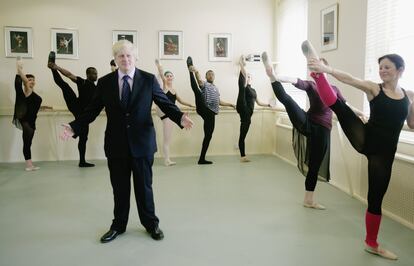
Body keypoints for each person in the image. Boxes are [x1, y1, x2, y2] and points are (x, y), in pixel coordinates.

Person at [60, 40, 193, 243]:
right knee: (120, 188)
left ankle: (151, 224)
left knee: (144, 187)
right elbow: (92, 110)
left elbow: (164, 102)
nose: (125, 59)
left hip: (143, 143)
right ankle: (118, 225)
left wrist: (180, 117)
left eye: (129, 55)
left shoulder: (148, 79)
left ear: (135, 58)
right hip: (116, 145)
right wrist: (74, 126)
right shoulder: (105, 82)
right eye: (121, 56)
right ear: (115, 59)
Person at [305, 40, 414, 260]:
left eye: (387, 67)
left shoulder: (409, 96)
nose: (382, 70)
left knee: (376, 198)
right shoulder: (375, 88)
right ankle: (318, 76)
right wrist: (327, 69)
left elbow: (411, 124)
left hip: (384, 155)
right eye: (381, 67)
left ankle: (371, 243)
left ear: (400, 70)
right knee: (340, 107)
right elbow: (351, 79)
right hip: (365, 137)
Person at [262, 52, 363, 209]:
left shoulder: (335, 89)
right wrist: (276, 75)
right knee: (288, 101)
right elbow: (295, 80)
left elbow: (346, 106)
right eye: (314, 68)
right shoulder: (312, 85)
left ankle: (308, 200)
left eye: (319, 67)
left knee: (314, 166)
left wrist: (361, 113)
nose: (316, 70)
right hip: (308, 122)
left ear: (326, 69)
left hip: (323, 131)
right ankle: (271, 76)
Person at [48, 51, 97, 167]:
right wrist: (56, 67)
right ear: (88, 74)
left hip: (85, 114)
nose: (95, 75)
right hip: (76, 105)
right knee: (64, 86)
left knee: (84, 137)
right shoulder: (83, 82)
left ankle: (82, 161)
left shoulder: (97, 88)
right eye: (93, 73)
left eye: (96, 73)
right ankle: (52, 67)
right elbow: (69, 74)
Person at [186, 56, 235, 164]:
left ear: (214, 76)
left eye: (212, 74)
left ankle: (201, 159)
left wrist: (231, 104)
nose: (211, 75)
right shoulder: (205, 84)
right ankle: (190, 69)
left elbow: (219, 101)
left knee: (208, 135)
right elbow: (199, 80)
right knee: (197, 92)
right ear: (206, 76)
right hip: (204, 107)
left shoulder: (216, 88)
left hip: (211, 113)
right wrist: (196, 71)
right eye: (209, 74)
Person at [155, 59, 195, 166]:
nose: (168, 77)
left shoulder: (174, 90)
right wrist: (159, 65)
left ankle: (168, 159)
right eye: (167, 76)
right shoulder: (165, 87)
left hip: (171, 114)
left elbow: (180, 100)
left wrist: (190, 105)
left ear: (173, 78)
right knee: (167, 139)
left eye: (170, 76)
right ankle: (167, 160)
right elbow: (161, 75)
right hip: (165, 113)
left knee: (168, 138)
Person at [237, 55, 270, 162]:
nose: (248, 77)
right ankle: (241, 64)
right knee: (242, 88)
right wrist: (243, 67)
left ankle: (242, 156)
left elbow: (259, 103)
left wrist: (269, 105)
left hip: (247, 114)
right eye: (247, 76)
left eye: (250, 76)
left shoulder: (254, 91)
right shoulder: (245, 87)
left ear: (252, 79)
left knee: (243, 135)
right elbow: (244, 77)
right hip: (242, 106)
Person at [13, 57, 42, 171]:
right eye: (29, 79)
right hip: (27, 121)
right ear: (25, 81)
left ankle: (30, 165)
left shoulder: (30, 93)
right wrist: (19, 68)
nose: (31, 81)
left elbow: (32, 105)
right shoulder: (27, 90)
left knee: (28, 143)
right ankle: (29, 166)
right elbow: (23, 81)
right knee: (27, 143)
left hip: (31, 121)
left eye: (33, 79)